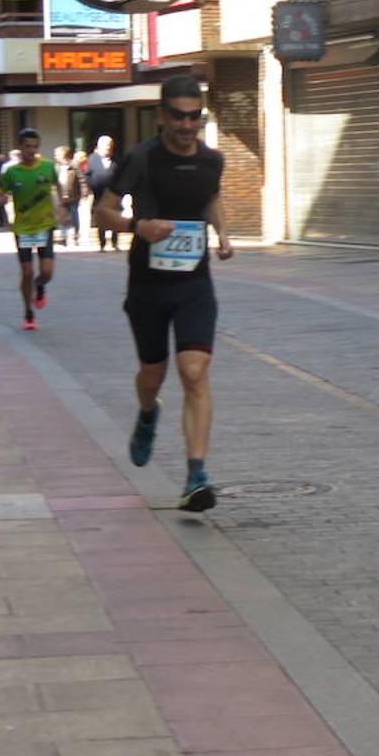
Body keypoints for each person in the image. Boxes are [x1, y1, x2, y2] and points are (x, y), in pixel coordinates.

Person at [95, 74, 232, 513]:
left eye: (194, 116)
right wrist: (140, 227)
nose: (187, 125)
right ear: (161, 116)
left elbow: (210, 197)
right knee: (152, 374)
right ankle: (148, 411)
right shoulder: (141, 159)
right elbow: (103, 212)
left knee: (195, 370)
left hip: (194, 282)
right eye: (178, 116)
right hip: (148, 285)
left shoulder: (212, 160)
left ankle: (196, 476)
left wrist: (224, 233)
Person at [0, 128, 68, 331]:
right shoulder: (12, 172)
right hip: (23, 228)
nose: (31, 151)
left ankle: (41, 285)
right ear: (20, 147)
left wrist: (60, 205)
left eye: (35, 147)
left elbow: (58, 186)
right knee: (26, 272)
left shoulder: (47, 167)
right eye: (27, 147)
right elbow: (0, 193)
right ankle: (28, 312)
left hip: (44, 225)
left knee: (46, 272)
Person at [87, 135, 119, 251]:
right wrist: (90, 188)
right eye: (106, 146)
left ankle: (115, 243)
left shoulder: (116, 160)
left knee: (114, 219)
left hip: (114, 195)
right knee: (101, 220)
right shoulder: (91, 159)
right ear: (99, 147)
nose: (108, 148)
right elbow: (86, 176)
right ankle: (102, 244)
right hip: (98, 195)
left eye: (110, 146)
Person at [54, 146, 82, 247]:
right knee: (62, 217)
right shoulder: (56, 167)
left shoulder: (74, 165)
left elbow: (81, 180)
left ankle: (75, 237)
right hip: (61, 196)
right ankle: (64, 237)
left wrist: (83, 193)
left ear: (64, 155)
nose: (55, 156)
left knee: (74, 217)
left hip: (73, 195)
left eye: (57, 154)